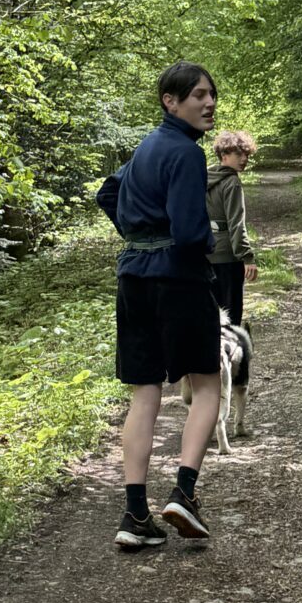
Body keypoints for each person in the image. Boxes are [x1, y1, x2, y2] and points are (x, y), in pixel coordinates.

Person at [95, 62, 221, 548]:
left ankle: (134, 516)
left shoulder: (145, 148)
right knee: (206, 384)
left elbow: (109, 192)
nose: (207, 103)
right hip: (179, 280)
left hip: (133, 278)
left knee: (143, 393)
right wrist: (208, 240)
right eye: (197, 96)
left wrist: (138, 234)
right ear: (170, 101)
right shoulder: (187, 153)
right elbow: (191, 232)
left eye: (211, 95)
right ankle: (184, 493)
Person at [206, 131, 259, 325]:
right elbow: (236, 224)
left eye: (246, 154)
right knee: (230, 317)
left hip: (203, 255)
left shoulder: (202, 178)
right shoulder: (231, 182)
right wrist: (247, 257)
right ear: (224, 155)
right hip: (227, 257)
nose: (244, 159)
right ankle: (231, 354)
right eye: (239, 154)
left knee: (209, 317)